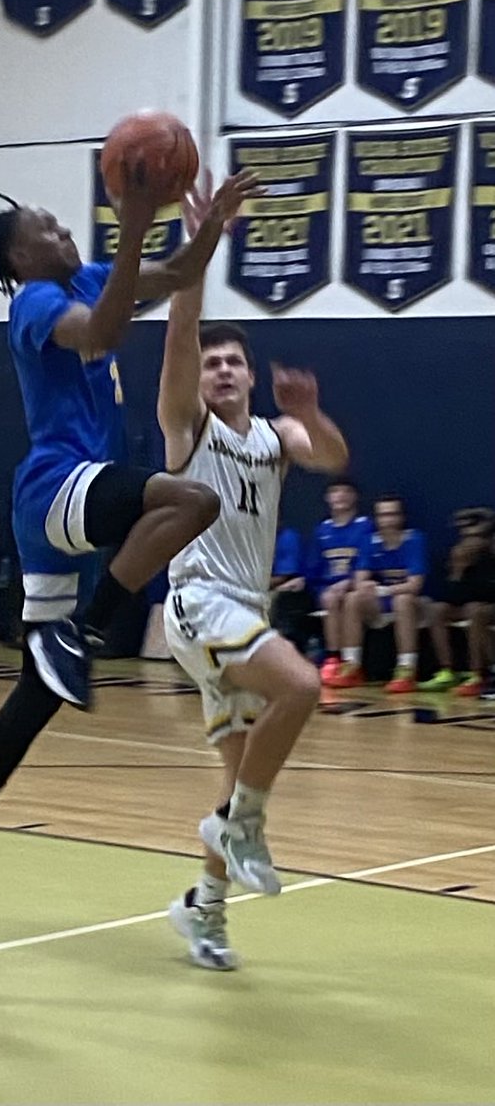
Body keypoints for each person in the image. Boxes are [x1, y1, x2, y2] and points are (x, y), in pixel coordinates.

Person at [0, 162, 257, 938]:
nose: (65, 233)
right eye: (50, 229)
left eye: (66, 225)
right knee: (193, 499)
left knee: (38, 693)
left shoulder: (90, 277)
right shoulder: (35, 302)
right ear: (21, 256)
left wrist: (209, 227)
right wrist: (130, 226)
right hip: (57, 486)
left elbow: (177, 273)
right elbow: (101, 332)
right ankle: (90, 628)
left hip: (72, 500)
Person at [159, 210, 348, 970]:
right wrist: (198, 256)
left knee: (240, 776)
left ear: (248, 372)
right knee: (301, 686)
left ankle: (204, 912)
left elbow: (330, 457)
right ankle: (241, 828)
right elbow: (180, 335)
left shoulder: (275, 436)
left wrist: (308, 412)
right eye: (212, 363)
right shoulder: (187, 428)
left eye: (234, 361)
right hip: (198, 601)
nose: (223, 370)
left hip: (242, 608)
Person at [327, 495, 428, 693]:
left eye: (392, 514)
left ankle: (407, 669)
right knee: (353, 598)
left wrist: (384, 590)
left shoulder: (414, 539)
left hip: (417, 605)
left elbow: (415, 585)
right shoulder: (369, 540)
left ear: (401, 517)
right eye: (382, 515)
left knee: (403, 600)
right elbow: (360, 579)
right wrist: (366, 586)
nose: (387, 520)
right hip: (382, 603)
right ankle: (351, 665)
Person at [418, 508, 495, 698]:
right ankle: (447, 671)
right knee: (436, 609)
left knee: (475, 610)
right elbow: (449, 596)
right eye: (464, 534)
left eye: (474, 534)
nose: (469, 540)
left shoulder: (491, 551)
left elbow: (487, 592)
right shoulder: (461, 553)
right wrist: (458, 571)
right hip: (476, 603)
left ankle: (478, 674)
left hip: (484, 605)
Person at [305, 478, 372, 685]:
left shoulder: (365, 526)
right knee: (330, 598)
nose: (340, 495)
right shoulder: (322, 530)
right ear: (327, 497)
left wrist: (349, 583)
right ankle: (333, 659)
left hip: (357, 587)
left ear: (354, 497)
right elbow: (313, 570)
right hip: (328, 589)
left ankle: (350, 663)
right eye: (335, 491)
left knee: (348, 598)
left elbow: (366, 564)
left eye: (345, 491)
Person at [269, 523, 314, 654]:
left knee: (270, 600)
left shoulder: (288, 537)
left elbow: (284, 576)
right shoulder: (253, 539)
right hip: (259, 588)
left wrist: (257, 585)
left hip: (291, 591)